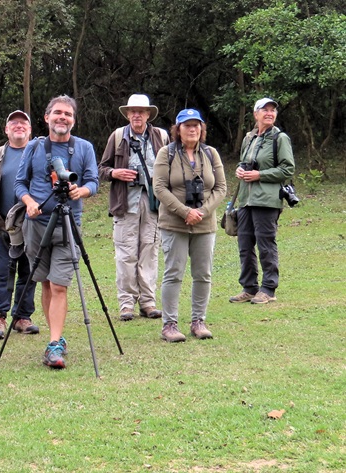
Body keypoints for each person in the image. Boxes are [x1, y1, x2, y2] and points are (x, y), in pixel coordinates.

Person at [15, 95, 99, 369]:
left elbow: (93, 182)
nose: (63, 118)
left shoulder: (84, 147)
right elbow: (20, 183)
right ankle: (57, 338)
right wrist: (29, 203)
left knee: (60, 283)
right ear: (47, 117)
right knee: (46, 282)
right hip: (37, 225)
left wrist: (80, 191)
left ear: (74, 120)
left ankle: (54, 343)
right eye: (58, 113)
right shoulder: (34, 146)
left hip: (68, 224)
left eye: (68, 114)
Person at [152, 109, 226, 342]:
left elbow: (221, 188)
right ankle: (170, 325)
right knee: (173, 273)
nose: (192, 129)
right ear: (178, 129)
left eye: (196, 125)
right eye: (187, 125)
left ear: (202, 129)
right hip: (174, 223)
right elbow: (160, 187)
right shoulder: (167, 153)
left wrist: (202, 212)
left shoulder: (211, 154)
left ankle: (198, 321)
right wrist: (184, 211)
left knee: (203, 273)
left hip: (205, 224)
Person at [98, 94, 169, 321]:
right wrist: (115, 173)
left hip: (153, 204)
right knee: (126, 254)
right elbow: (101, 169)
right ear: (128, 114)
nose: (137, 115)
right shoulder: (118, 136)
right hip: (125, 202)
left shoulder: (162, 136)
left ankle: (148, 303)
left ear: (148, 114)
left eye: (141, 111)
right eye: (133, 111)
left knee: (149, 251)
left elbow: (172, 167)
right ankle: (126, 304)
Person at [0, 110, 39, 340]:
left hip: (31, 227)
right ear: (6, 129)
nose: (19, 126)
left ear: (30, 130)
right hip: (1, 227)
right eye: (13, 122)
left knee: (29, 272)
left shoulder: (39, 155)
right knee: (2, 272)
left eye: (24, 123)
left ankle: (23, 317)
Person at [229, 98, 295, 305]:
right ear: (255, 114)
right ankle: (249, 288)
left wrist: (260, 175)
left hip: (267, 200)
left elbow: (287, 169)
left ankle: (268, 288)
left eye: (272, 110)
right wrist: (240, 170)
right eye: (264, 110)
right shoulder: (249, 138)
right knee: (245, 244)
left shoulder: (280, 138)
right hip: (246, 200)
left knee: (266, 244)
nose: (269, 113)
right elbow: (244, 161)